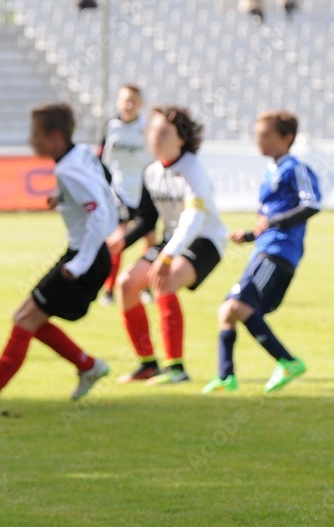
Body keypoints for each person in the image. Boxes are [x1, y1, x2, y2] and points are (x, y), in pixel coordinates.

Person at [0, 103, 115, 412]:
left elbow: (99, 212)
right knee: (27, 319)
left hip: (83, 256)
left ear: (55, 136)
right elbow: (104, 183)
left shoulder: (68, 168)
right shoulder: (81, 154)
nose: (31, 140)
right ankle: (88, 366)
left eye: (36, 134)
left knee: (24, 319)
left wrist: (80, 264)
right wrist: (62, 197)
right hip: (86, 253)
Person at [204, 110, 321, 394]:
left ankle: (287, 361)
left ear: (287, 138)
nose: (259, 141)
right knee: (227, 310)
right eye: (257, 135)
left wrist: (274, 223)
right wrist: (249, 234)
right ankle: (225, 377)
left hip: (280, 252)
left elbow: (312, 204)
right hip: (264, 249)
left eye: (266, 135)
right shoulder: (271, 171)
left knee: (236, 305)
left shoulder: (296, 168)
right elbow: (269, 218)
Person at [110, 106, 228, 385]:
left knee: (166, 279)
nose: (154, 137)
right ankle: (148, 365)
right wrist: (121, 242)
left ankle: (177, 368)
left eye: (163, 132)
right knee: (126, 285)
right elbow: (147, 219)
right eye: (152, 130)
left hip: (205, 240)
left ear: (181, 140)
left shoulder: (192, 169)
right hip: (172, 241)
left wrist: (167, 256)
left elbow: (194, 217)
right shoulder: (151, 172)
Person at [98, 83, 155, 305]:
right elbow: (103, 158)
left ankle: (145, 286)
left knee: (150, 238)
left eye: (133, 100)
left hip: (143, 190)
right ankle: (110, 290)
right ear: (118, 102)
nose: (128, 104)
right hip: (119, 191)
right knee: (117, 239)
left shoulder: (147, 128)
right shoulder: (111, 126)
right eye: (124, 100)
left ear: (140, 104)